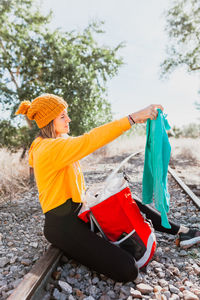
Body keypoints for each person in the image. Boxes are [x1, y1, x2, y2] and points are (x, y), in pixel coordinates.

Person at [15, 94, 200, 283]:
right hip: (62, 225)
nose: (68, 119)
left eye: (67, 114)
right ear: (48, 122)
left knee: (127, 199)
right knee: (128, 270)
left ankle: (183, 231)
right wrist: (132, 118)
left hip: (81, 212)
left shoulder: (57, 141)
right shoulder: (48, 148)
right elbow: (90, 140)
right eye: (62, 116)